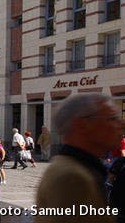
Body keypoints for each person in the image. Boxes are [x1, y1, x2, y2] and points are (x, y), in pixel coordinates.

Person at [35, 94, 122, 223]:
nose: (121, 124)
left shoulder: (81, 168)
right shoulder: (71, 178)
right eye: (113, 118)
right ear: (82, 125)